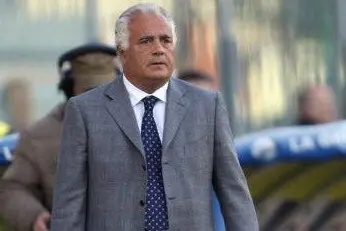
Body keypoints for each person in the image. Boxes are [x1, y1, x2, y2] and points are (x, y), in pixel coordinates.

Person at [50, 3, 258, 231]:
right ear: (122, 51)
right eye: (146, 41)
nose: (159, 49)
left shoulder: (207, 106)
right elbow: (68, 205)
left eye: (165, 40)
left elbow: (234, 194)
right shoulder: (84, 111)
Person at [0, 43, 117, 231]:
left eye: (107, 91)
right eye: (89, 91)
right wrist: (35, 216)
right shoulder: (38, 137)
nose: (98, 98)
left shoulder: (142, 124)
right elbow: (13, 189)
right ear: (69, 89)